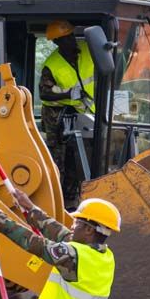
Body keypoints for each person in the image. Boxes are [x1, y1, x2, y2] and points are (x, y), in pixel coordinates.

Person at [37, 20, 96, 203]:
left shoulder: (89, 51)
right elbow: (44, 93)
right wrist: (69, 93)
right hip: (56, 118)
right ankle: (55, 199)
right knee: (58, 159)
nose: (71, 40)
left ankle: (73, 196)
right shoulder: (52, 64)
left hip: (88, 114)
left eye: (70, 35)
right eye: (65, 38)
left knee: (80, 157)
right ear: (57, 42)